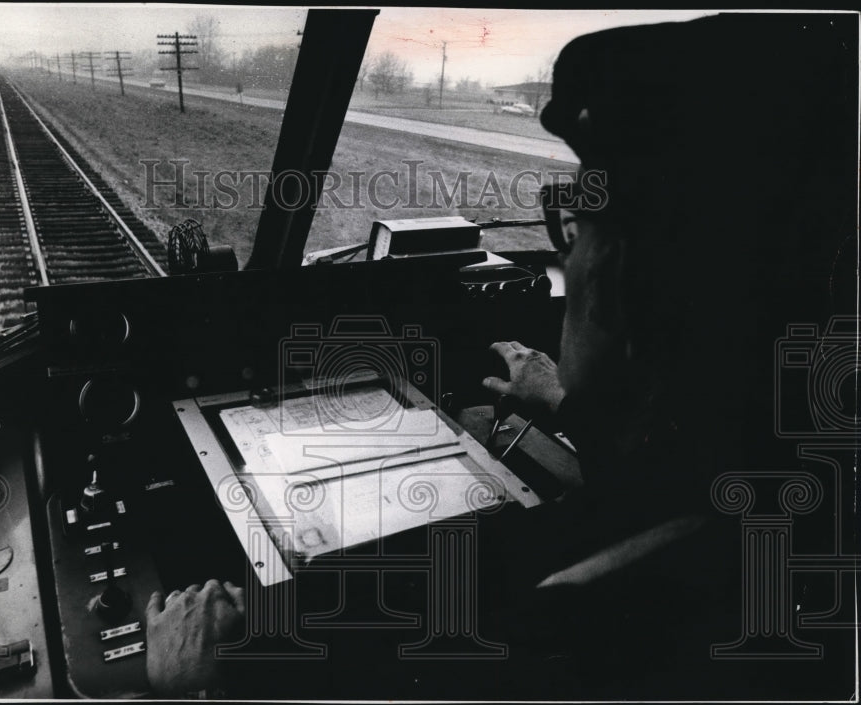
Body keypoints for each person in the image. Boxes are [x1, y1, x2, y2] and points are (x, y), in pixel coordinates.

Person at [145, 12, 857, 699]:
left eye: (575, 232)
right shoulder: (792, 504)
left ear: (621, 289)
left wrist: (193, 684)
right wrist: (586, 404)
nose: (567, 259)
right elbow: (672, 482)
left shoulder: (543, 643)